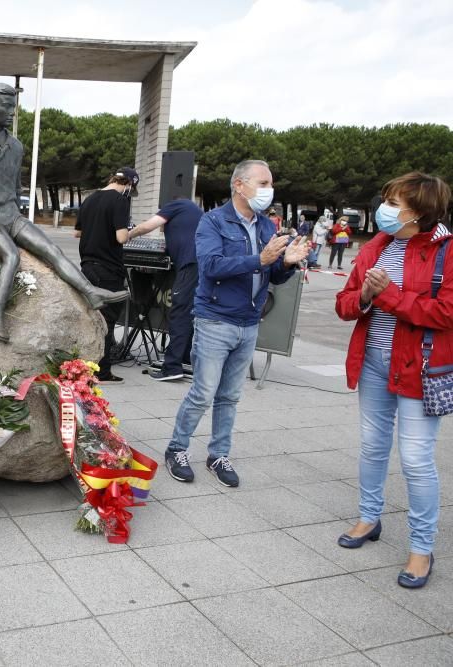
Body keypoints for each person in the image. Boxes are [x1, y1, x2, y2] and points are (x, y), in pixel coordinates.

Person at [0, 83, 127, 342]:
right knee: (11, 256)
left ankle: (90, 292)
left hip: (12, 215)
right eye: (6, 106)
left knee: (52, 250)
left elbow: (12, 186)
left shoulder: (16, 146)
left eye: (14, 107)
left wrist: (17, 215)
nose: (11, 112)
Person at [335, 172, 452, 589]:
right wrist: (365, 296)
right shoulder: (377, 246)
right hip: (373, 361)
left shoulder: (446, 250)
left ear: (419, 211)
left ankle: (422, 548)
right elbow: (345, 304)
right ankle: (369, 518)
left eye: (395, 202)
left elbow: (446, 313)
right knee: (372, 445)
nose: (386, 208)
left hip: (420, 367)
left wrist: (388, 296)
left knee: (417, 459)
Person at [164, 160, 307, 487]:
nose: (269, 190)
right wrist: (261, 259)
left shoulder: (267, 226)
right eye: (263, 183)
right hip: (215, 320)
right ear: (239, 186)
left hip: (248, 322)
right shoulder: (212, 222)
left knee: (229, 395)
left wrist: (286, 263)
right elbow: (211, 266)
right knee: (203, 392)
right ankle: (177, 448)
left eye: (270, 183)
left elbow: (273, 274)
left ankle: (218, 454)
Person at [127, 197, 205, 381]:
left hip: (191, 264)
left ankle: (172, 368)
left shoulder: (176, 204)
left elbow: (147, 226)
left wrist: (128, 235)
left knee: (179, 313)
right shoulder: (191, 213)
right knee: (189, 313)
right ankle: (184, 361)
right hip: (199, 264)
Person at [73, 169, 137, 382]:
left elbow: (78, 232)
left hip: (87, 266)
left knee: (91, 317)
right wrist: (130, 231)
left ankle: (83, 363)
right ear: (128, 185)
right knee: (107, 320)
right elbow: (121, 237)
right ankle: (103, 369)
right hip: (108, 269)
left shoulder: (90, 199)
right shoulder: (120, 200)